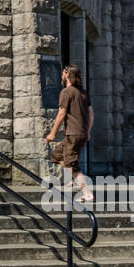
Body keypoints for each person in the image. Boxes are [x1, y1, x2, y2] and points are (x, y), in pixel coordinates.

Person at [44, 65, 94, 203]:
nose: (61, 76)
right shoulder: (83, 93)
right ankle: (73, 178)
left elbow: (61, 113)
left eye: (62, 74)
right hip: (80, 134)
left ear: (66, 75)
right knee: (56, 155)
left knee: (72, 164)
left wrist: (52, 133)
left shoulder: (67, 92)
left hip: (73, 134)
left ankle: (87, 193)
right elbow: (91, 114)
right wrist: (88, 132)